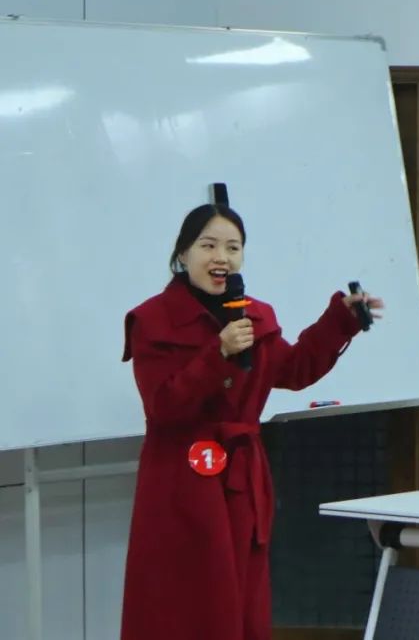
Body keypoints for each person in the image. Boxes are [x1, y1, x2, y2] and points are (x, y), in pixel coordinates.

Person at [119, 204, 382, 640]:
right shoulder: (152, 320)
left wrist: (342, 321)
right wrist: (218, 353)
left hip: (240, 482)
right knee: (178, 603)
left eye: (233, 247)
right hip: (179, 485)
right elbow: (162, 406)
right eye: (208, 246)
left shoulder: (254, 315)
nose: (221, 257)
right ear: (183, 254)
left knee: (240, 600)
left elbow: (295, 370)